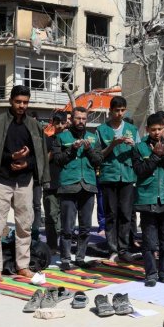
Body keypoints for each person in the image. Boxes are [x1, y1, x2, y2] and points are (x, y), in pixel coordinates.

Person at [0, 85, 50, 282]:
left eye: (25, 102)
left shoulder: (34, 125)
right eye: (18, 102)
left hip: (24, 182)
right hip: (1, 180)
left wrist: (26, 162)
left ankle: (23, 266)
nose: (22, 106)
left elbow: (40, 156)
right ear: (11, 101)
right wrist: (12, 157)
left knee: (24, 225)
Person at [133, 113, 164, 287]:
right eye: (153, 130)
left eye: (160, 129)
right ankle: (151, 274)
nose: (156, 132)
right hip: (147, 199)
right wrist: (154, 156)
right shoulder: (139, 148)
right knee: (149, 241)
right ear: (147, 130)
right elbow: (139, 171)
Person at [52, 107, 102, 270]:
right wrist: (72, 149)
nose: (81, 121)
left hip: (88, 185)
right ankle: (65, 259)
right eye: (78, 118)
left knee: (85, 226)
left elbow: (98, 160)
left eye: (84, 119)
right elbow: (58, 160)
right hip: (68, 185)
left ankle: (80, 257)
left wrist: (88, 150)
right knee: (67, 226)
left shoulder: (93, 138)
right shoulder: (61, 137)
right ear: (71, 119)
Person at [96, 96, 139, 262]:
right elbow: (98, 155)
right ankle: (112, 249)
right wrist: (113, 145)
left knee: (126, 214)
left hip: (127, 176)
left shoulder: (132, 129)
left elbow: (139, 151)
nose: (119, 113)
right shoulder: (101, 129)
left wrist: (133, 146)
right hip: (109, 176)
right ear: (110, 111)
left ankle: (124, 249)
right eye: (116, 110)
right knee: (111, 214)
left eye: (122, 110)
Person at [43, 111, 68, 251]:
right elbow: (43, 161)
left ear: (66, 123)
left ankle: (65, 246)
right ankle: (52, 245)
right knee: (51, 216)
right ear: (52, 123)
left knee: (67, 216)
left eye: (62, 123)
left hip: (68, 183)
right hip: (51, 183)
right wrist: (53, 151)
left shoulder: (70, 140)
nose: (59, 126)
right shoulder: (47, 140)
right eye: (57, 123)